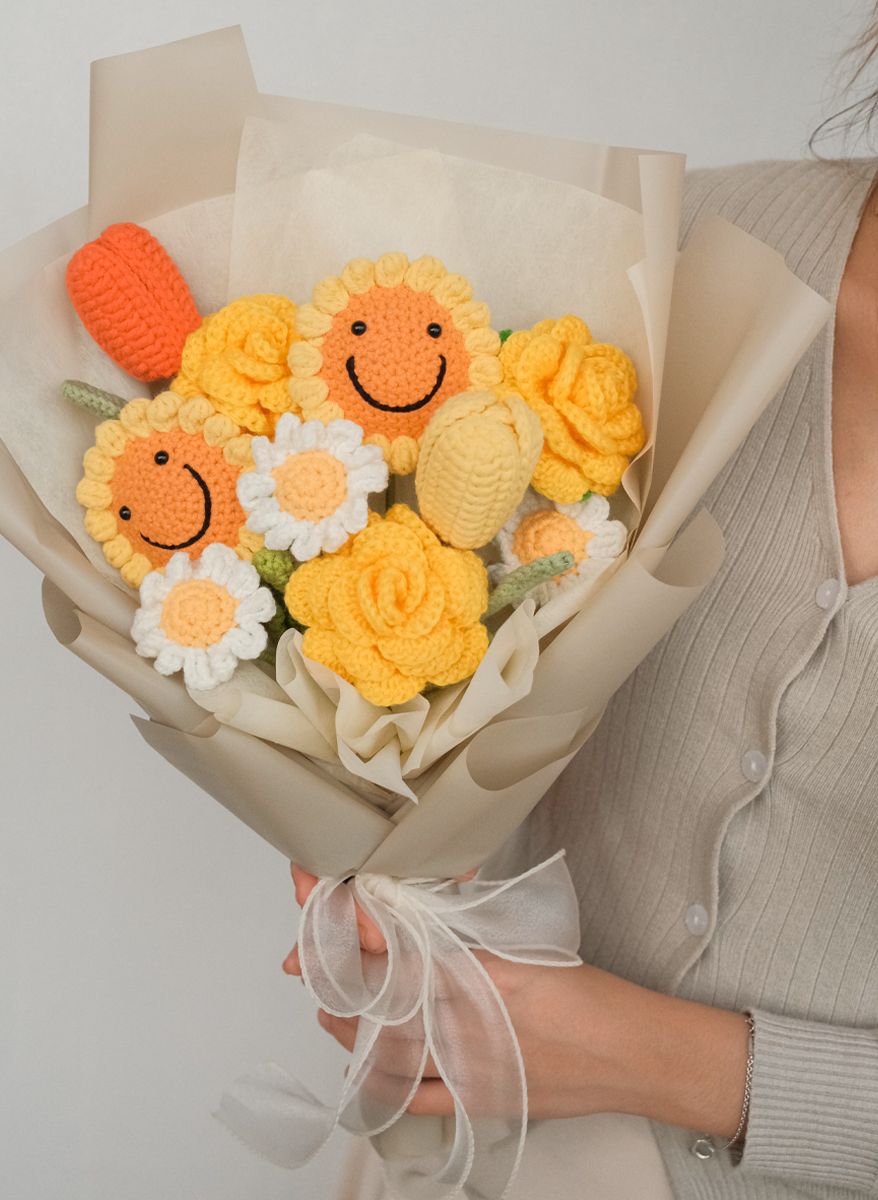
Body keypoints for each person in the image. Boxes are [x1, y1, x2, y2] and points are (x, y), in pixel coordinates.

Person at [285, 10, 878, 1198]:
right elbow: (443, 617)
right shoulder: (690, 250)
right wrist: (359, 802)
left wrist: (662, 1061)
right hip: (471, 1148)